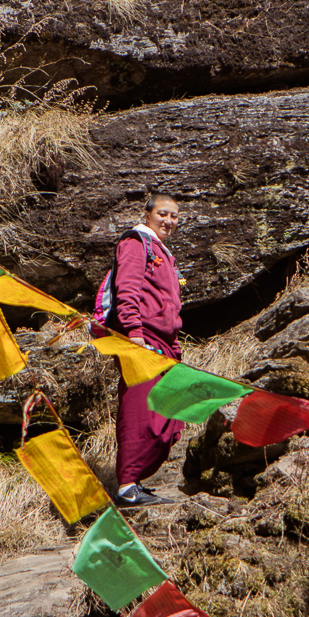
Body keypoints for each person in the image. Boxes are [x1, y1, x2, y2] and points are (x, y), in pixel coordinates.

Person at [105, 194, 183, 507]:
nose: (169, 221)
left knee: (165, 413)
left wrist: (174, 347)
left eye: (174, 216)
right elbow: (127, 289)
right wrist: (134, 333)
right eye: (163, 213)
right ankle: (126, 487)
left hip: (163, 345)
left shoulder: (163, 252)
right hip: (141, 340)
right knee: (140, 410)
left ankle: (135, 481)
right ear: (147, 215)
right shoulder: (136, 243)